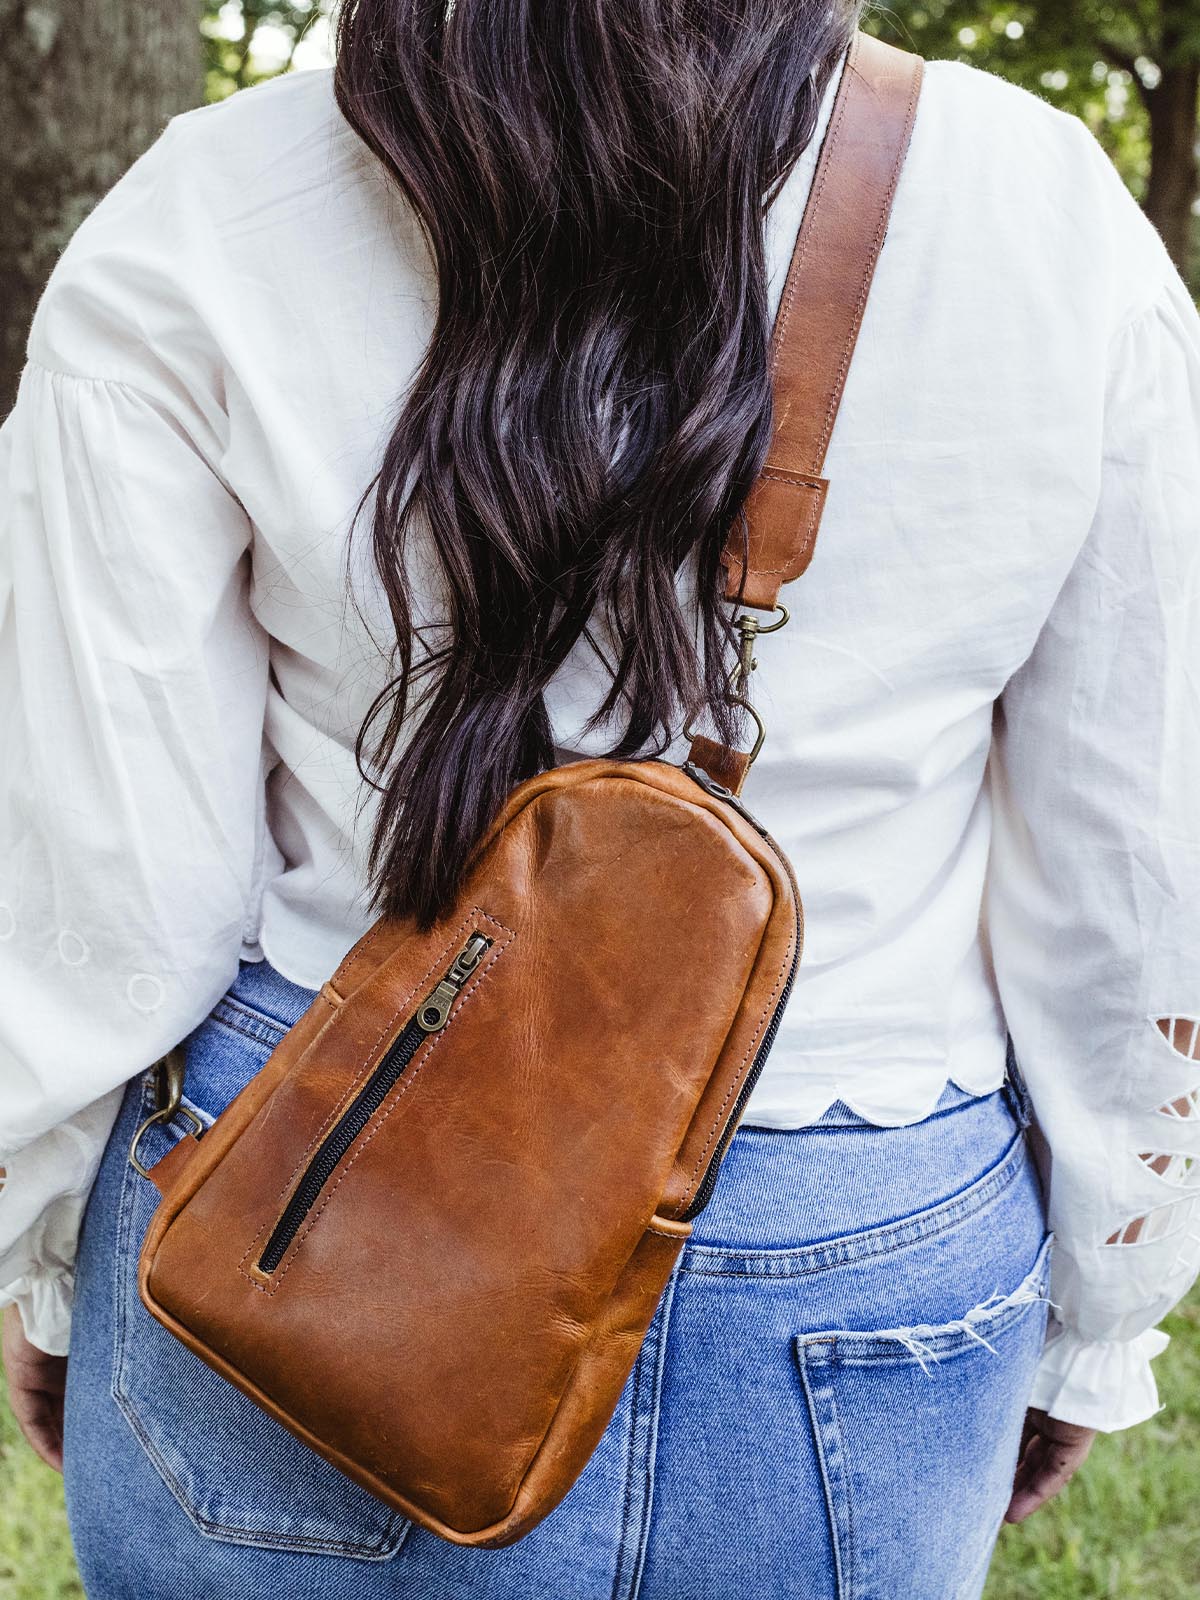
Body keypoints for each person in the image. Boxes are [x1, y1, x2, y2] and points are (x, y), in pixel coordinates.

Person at [1, 4, 1198, 1597]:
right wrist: (1103, 1319)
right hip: (856, 1234)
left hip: (305, 1193)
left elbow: (103, 891)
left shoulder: (211, 211)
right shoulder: (1043, 213)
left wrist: (57, 1269)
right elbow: (1136, 879)